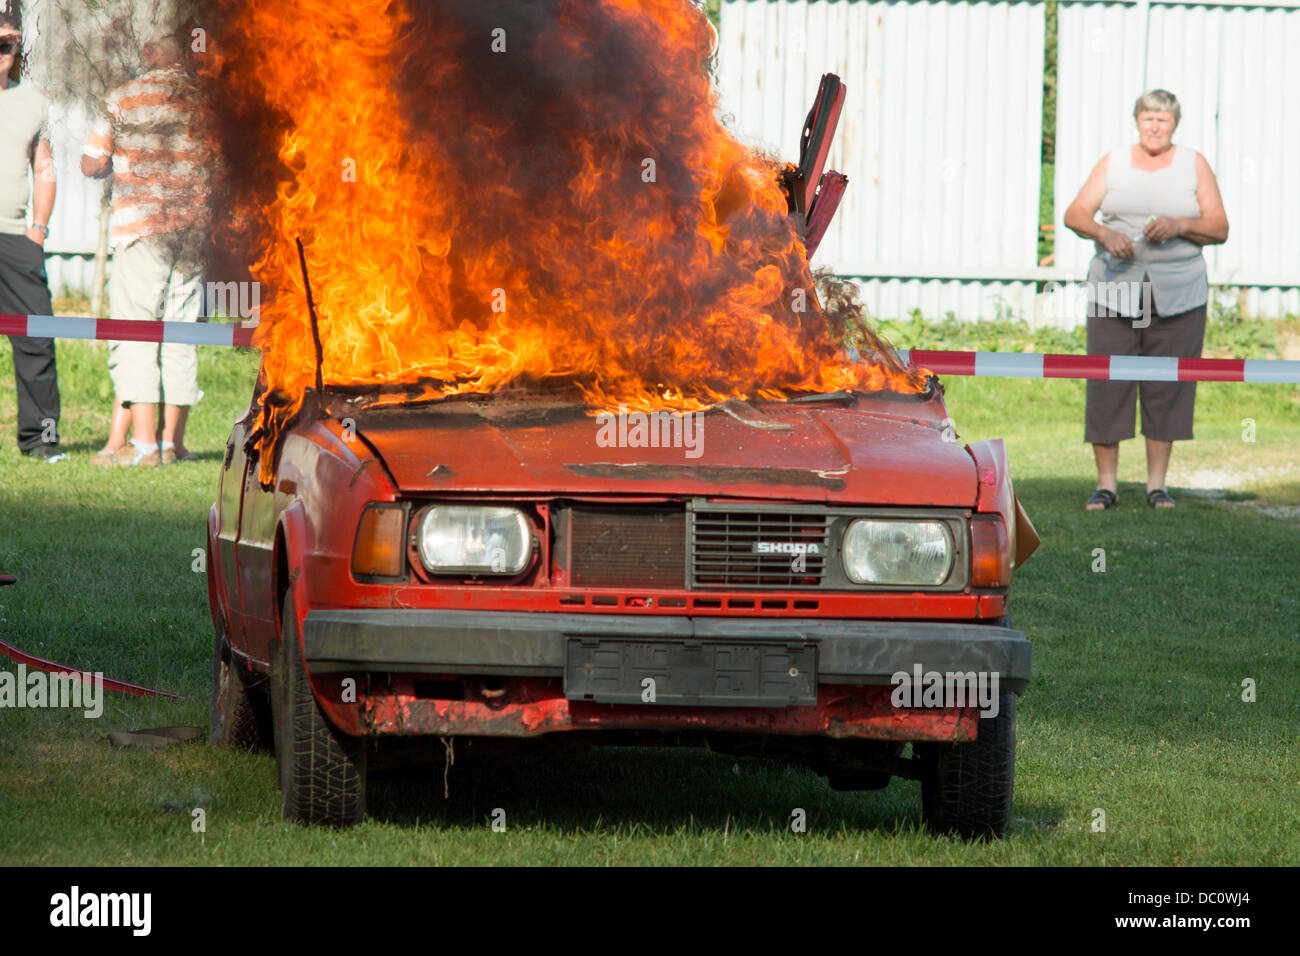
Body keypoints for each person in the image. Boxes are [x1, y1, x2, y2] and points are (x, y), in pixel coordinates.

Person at [1064, 89, 1229, 510]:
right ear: (1137, 121)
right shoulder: (1113, 162)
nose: (1155, 127)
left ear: (1175, 124)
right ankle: (1107, 485)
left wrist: (1180, 225)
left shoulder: (1194, 164)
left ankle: (1157, 486)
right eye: (1148, 118)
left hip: (1179, 290)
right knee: (1107, 381)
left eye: (1163, 120)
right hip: (1114, 287)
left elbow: (1219, 227)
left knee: (1167, 383)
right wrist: (1104, 234)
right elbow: (1076, 213)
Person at [82, 32, 213, 467]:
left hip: (141, 230)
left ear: (150, 53)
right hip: (192, 233)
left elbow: (91, 162)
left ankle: (144, 446)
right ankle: (175, 443)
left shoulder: (123, 97)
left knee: (137, 334)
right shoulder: (207, 103)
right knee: (181, 335)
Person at [0, 7, 64, 463]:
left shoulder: (35, 102)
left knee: (37, 335)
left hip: (15, 240)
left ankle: (41, 440)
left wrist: (37, 231)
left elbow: (44, 167)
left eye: (5, 44)